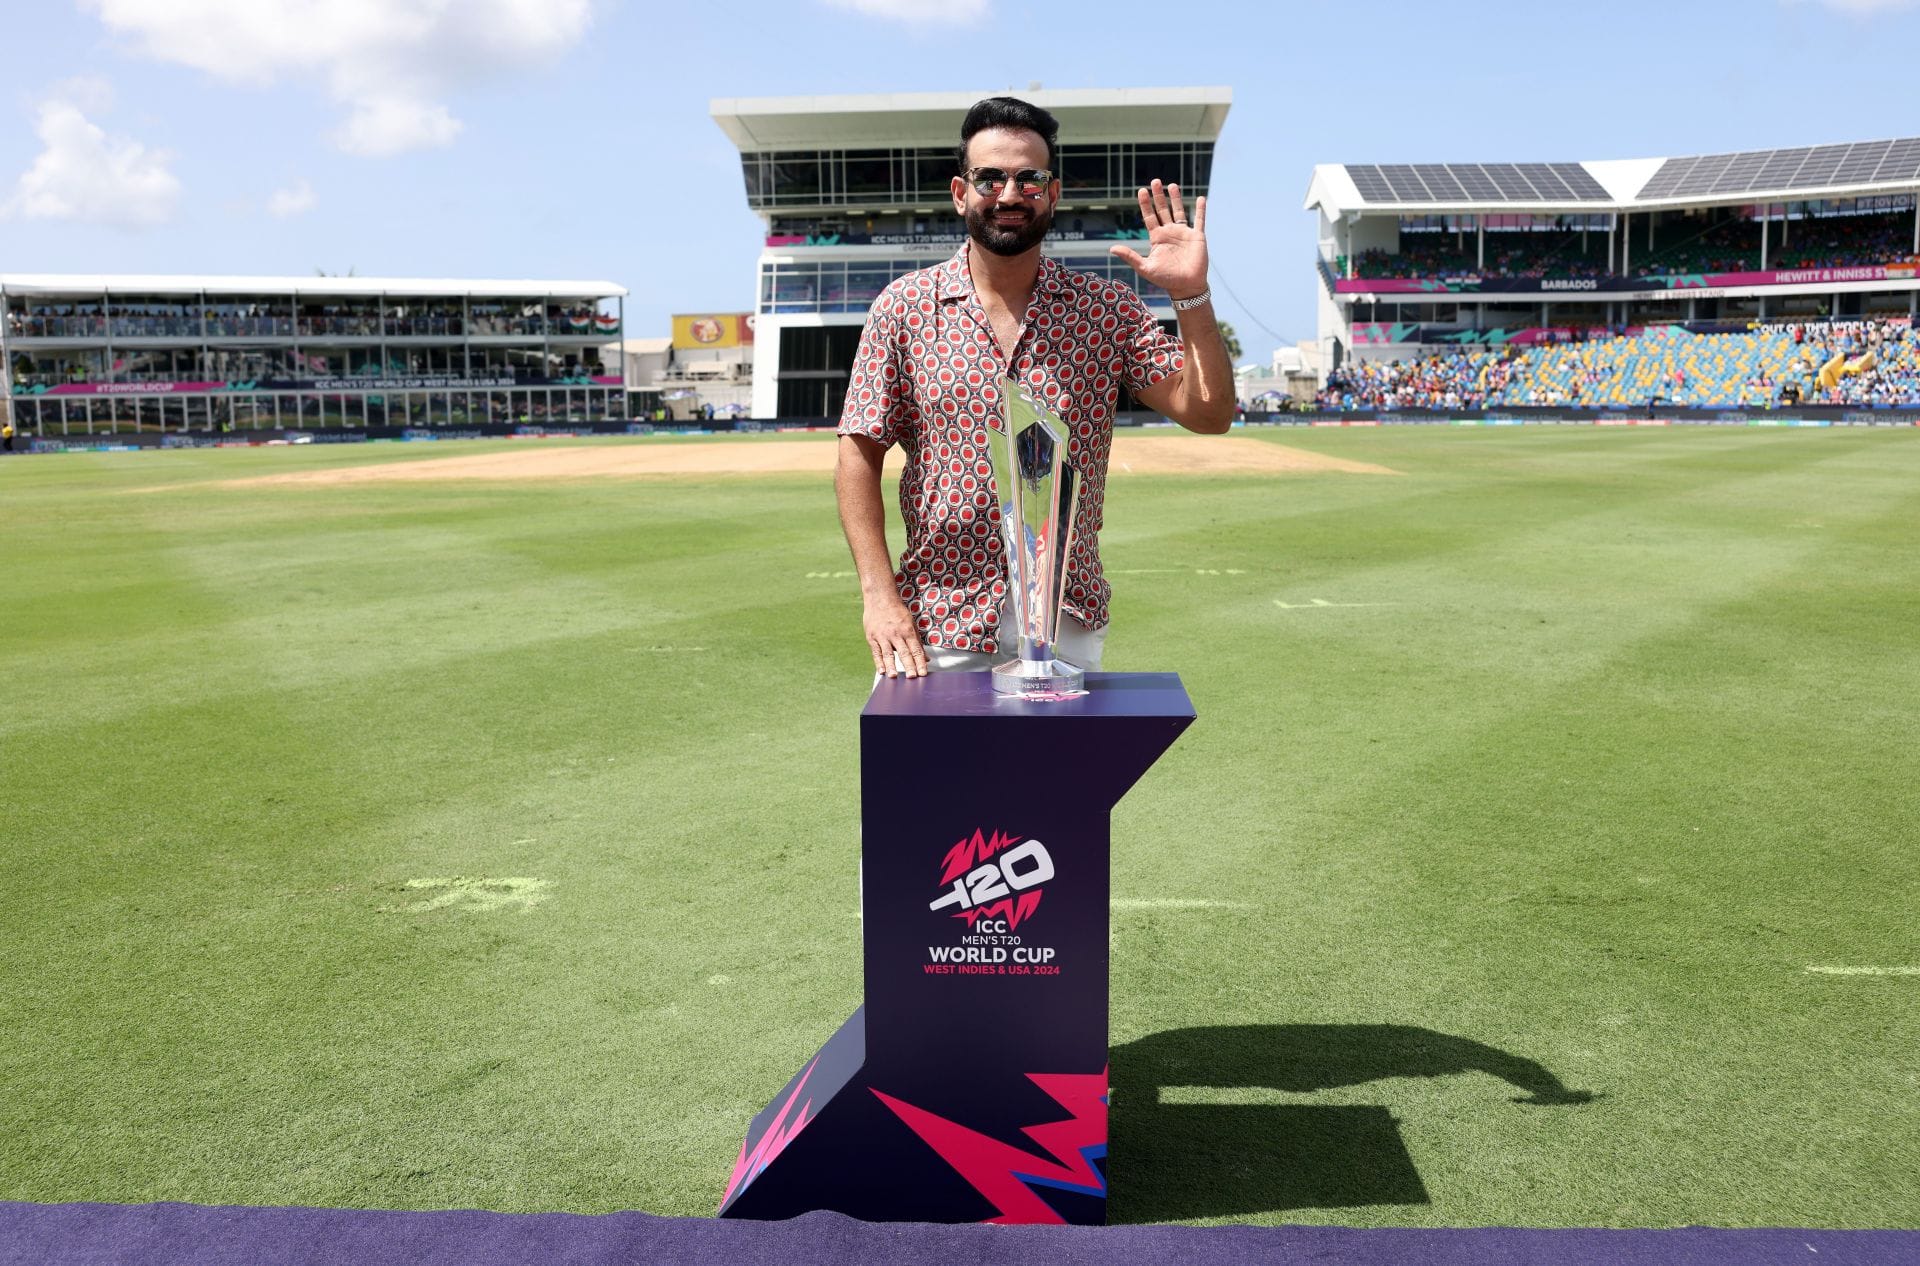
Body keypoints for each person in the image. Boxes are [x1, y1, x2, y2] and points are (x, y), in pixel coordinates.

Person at [835, 96, 1233, 680]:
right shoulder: (905, 308)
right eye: (989, 177)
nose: (1009, 194)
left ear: (1052, 191)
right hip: (937, 620)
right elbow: (858, 451)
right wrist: (878, 594)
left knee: (1059, 777)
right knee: (937, 777)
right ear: (959, 191)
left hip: (1066, 616)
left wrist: (1190, 295)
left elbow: (1209, 413)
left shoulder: (1104, 309)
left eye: (1029, 178)